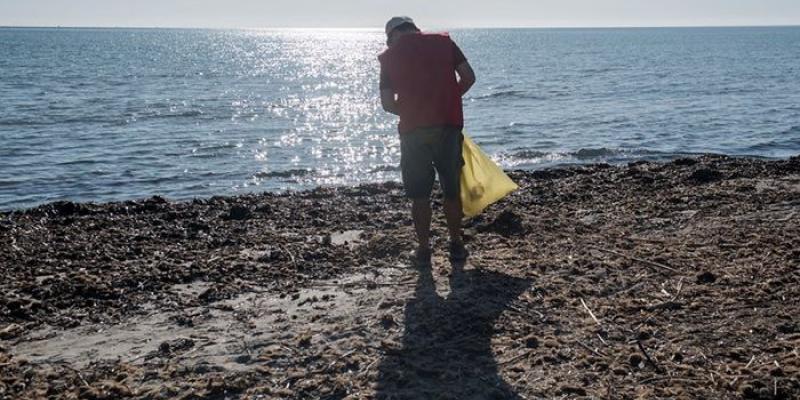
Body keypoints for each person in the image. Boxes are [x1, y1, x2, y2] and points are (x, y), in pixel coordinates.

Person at [378, 16, 476, 266]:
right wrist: (448, 101)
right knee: (451, 190)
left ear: (392, 36)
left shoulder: (389, 57)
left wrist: (412, 110)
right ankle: (456, 244)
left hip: (414, 131)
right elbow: (468, 77)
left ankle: (423, 250)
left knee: (419, 195)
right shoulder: (445, 43)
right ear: (415, 29)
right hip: (448, 126)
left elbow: (387, 103)